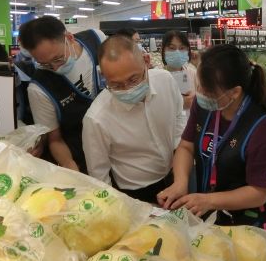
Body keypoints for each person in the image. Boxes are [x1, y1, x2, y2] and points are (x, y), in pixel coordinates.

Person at [158, 44, 266, 234]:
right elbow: (186, 147)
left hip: (254, 226)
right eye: (199, 87)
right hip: (218, 216)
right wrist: (180, 182)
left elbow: (259, 193)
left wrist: (208, 200)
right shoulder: (205, 107)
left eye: (208, 92)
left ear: (235, 92)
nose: (201, 95)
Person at [82, 36, 186, 204]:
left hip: (176, 175)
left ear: (146, 61)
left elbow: (179, 115)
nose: (127, 90)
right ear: (104, 76)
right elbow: (99, 174)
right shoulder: (97, 118)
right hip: (136, 192)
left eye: (133, 79)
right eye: (116, 85)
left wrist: (178, 151)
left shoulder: (165, 80)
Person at [19, 16, 106, 173]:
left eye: (58, 58)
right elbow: (55, 139)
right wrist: (70, 167)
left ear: (69, 38)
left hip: (118, 143)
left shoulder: (96, 39)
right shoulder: (39, 88)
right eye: (44, 63)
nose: (55, 68)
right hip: (81, 154)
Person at [161, 30, 197, 114]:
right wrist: (179, 105)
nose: (177, 52)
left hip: (189, 124)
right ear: (163, 50)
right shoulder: (156, 77)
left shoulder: (193, 74)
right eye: (172, 48)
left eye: (182, 48)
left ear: (188, 50)